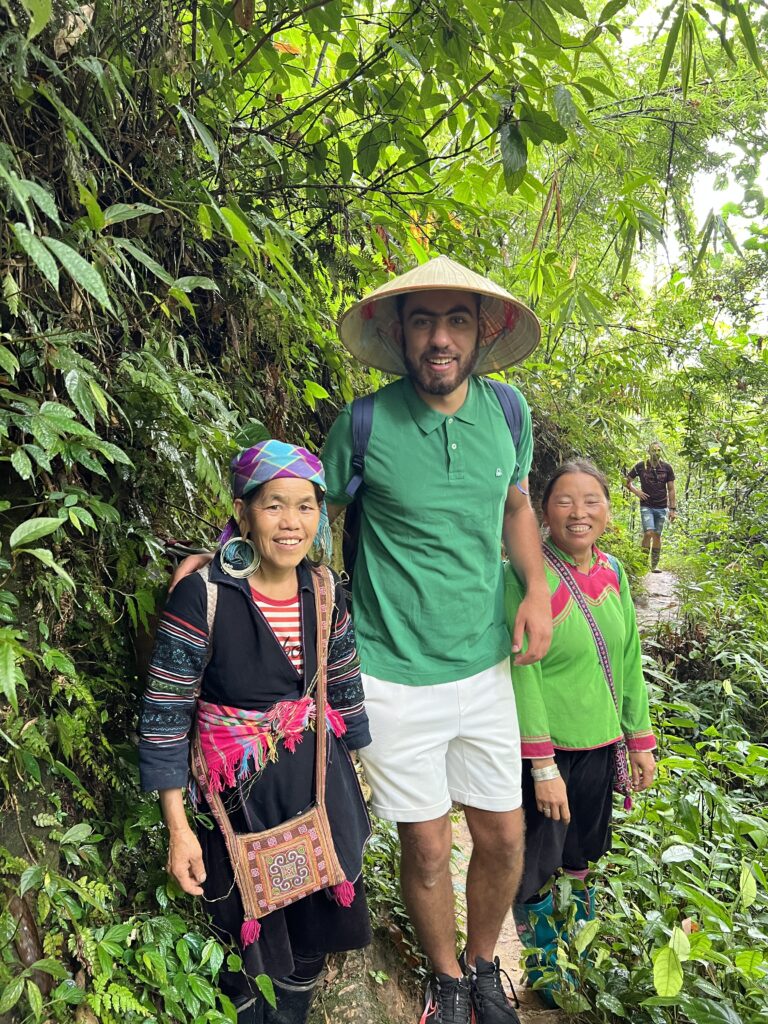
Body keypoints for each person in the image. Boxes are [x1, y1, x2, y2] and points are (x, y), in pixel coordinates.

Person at [321, 255, 552, 1024]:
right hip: (390, 668)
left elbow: (517, 504)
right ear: (399, 332)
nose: (441, 338)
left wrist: (537, 591)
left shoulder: (509, 412)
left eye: (457, 320)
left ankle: (486, 966)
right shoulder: (363, 424)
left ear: (485, 332)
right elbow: (304, 519)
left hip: (485, 663)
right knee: (424, 847)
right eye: (424, 320)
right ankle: (446, 978)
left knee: (505, 835)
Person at [139, 441, 372, 1024]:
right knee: (248, 957)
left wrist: (363, 785)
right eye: (273, 506)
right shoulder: (205, 595)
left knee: (308, 949)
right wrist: (177, 831)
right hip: (240, 814)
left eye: (305, 507)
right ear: (244, 512)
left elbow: (343, 689)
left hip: (319, 800)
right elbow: (166, 714)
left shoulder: (324, 590)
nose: (291, 523)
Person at [505, 461, 656, 1006]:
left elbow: (630, 658)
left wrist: (639, 739)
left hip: (600, 747)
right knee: (538, 865)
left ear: (610, 513)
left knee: (582, 855)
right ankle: (548, 974)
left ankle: (578, 957)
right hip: (547, 755)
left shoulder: (612, 571)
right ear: (543, 512)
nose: (579, 512)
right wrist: (542, 766)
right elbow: (522, 670)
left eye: (592, 501)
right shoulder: (527, 577)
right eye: (565, 500)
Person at [624, 442, 676, 572]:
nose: (656, 453)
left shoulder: (667, 468)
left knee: (657, 535)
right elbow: (626, 481)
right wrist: (637, 492)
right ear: (649, 451)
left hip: (662, 506)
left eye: (659, 450)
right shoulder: (641, 466)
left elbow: (671, 489)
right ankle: (642, 564)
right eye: (654, 450)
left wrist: (673, 509)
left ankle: (654, 566)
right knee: (648, 533)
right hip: (646, 505)